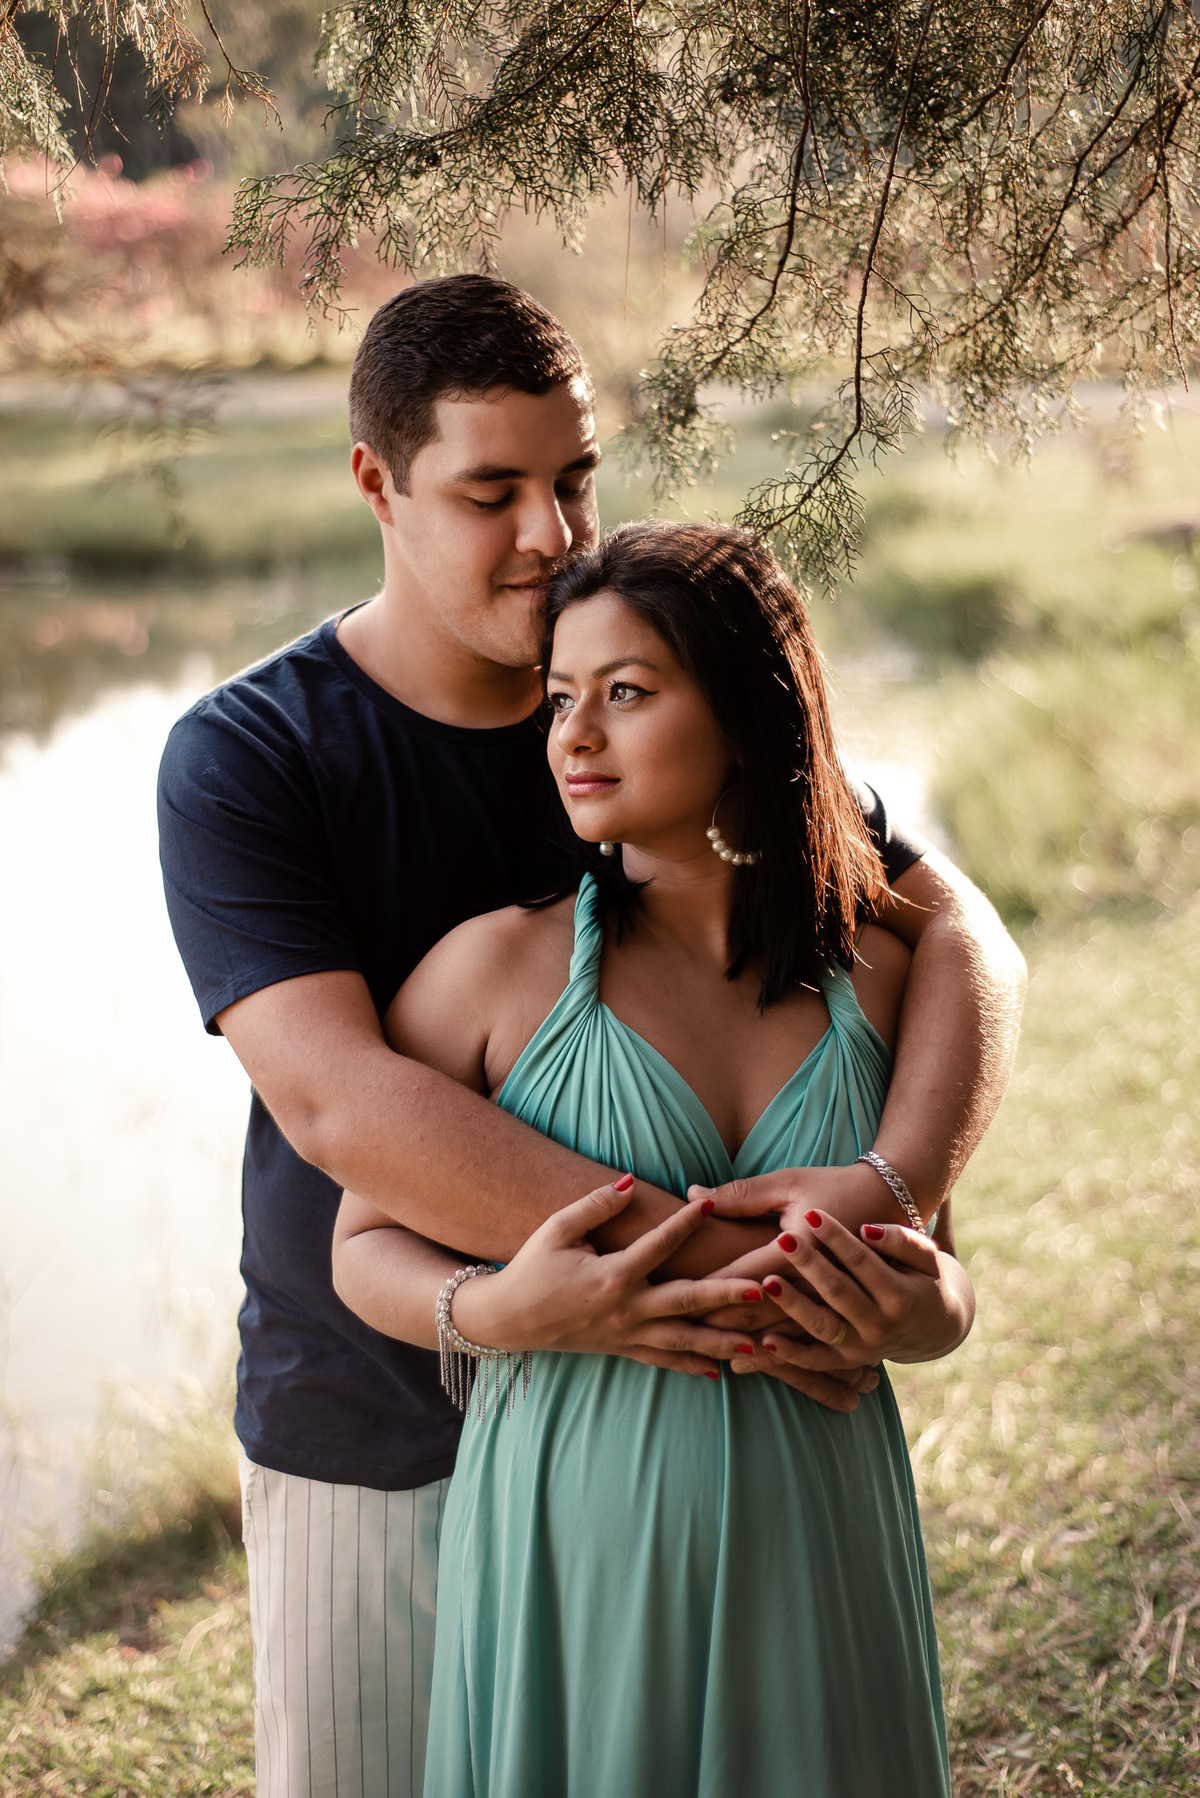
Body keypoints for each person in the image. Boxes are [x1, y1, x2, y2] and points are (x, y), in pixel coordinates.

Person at [157, 276, 1024, 1798]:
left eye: (573, 478)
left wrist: (887, 1206)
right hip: (375, 1426)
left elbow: (964, 938)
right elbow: (340, 1107)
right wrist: (759, 1276)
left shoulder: (683, 712)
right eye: (492, 491)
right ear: (376, 480)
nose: (550, 533)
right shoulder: (254, 753)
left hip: (730, 1446)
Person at [333, 521, 960, 1796]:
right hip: (575, 1524)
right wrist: (490, 1307)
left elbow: (943, 1274)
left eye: (625, 693)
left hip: (819, 1520)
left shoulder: (882, 974)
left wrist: (923, 1311)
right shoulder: (493, 969)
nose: (573, 735)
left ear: (748, 710)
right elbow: (358, 1244)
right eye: (561, 698)